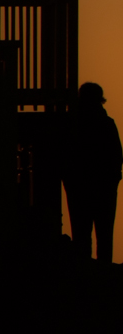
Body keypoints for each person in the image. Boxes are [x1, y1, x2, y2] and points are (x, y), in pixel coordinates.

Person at [63, 82, 123, 264]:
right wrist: (113, 179)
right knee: (104, 234)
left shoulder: (72, 124)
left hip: (79, 187)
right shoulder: (106, 124)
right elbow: (117, 156)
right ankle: (103, 273)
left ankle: (84, 272)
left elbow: (65, 155)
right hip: (103, 187)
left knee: (81, 233)